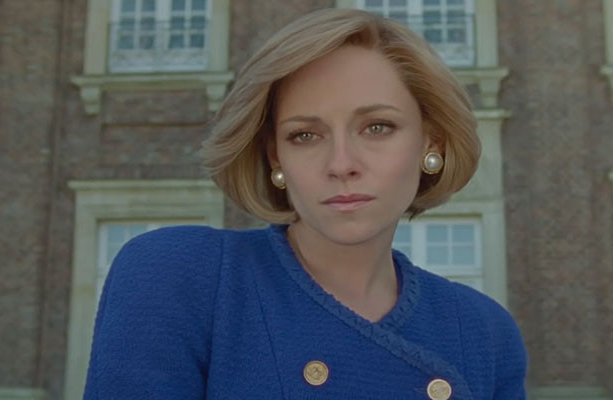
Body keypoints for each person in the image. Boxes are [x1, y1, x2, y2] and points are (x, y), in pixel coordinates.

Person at [83, 8, 528, 400]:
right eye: (305, 135)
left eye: (377, 127)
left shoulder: (483, 332)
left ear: (432, 142)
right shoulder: (179, 276)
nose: (341, 164)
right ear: (276, 157)